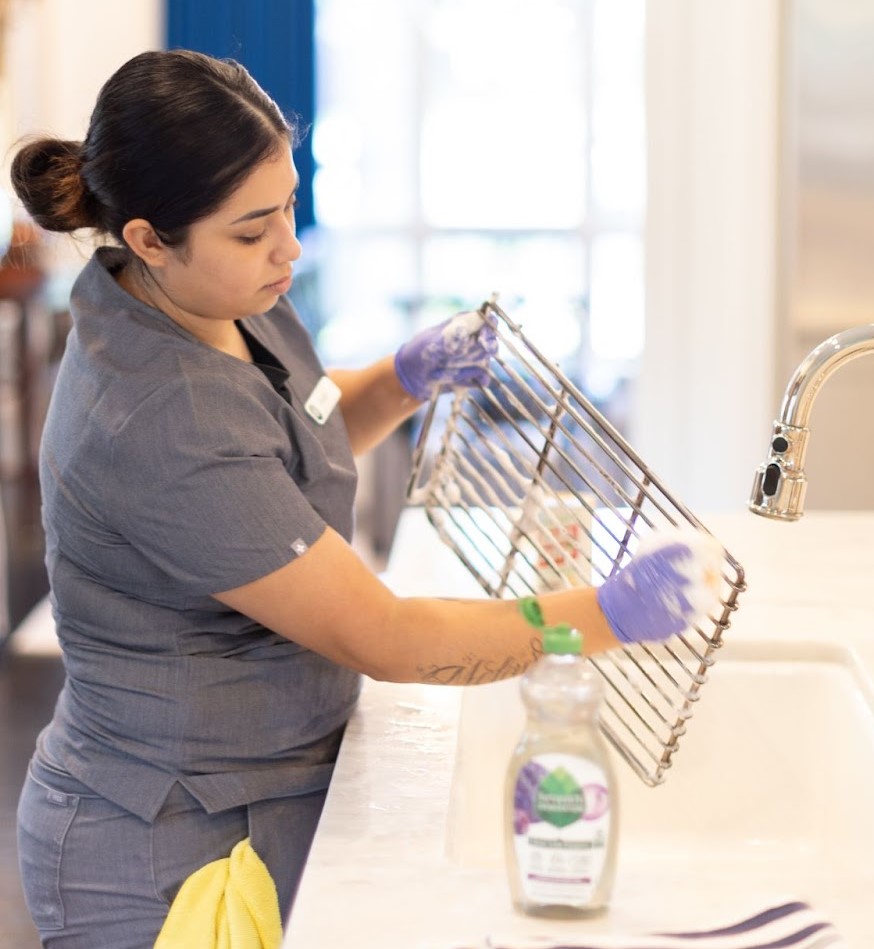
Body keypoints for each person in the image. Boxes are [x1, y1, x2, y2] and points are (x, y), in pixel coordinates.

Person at [9, 49, 720, 949]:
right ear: (148, 237)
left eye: (289, 205)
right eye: (252, 227)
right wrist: (607, 614)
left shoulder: (212, 293)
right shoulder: (156, 417)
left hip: (261, 787)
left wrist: (401, 378)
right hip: (162, 847)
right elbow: (387, 637)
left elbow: (281, 439)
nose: (288, 247)